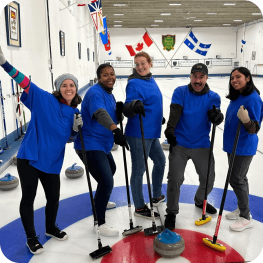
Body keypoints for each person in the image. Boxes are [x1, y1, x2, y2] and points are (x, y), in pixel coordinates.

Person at [0, 46, 83, 255]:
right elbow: (24, 82)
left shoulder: (75, 112)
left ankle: (50, 227)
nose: (68, 88)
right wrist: (4, 63)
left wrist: (75, 132)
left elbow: (68, 140)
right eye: (64, 85)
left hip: (53, 160)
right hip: (30, 156)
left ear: (76, 88)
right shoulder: (45, 99)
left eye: (72, 85)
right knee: (28, 197)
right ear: (58, 88)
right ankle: (31, 237)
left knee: (53, 196)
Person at [164, 63, 224, 230]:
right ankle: (171, 212)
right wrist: (170, 129)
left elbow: (215, 114)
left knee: (209, 179)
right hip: (180, 143)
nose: (198, 80)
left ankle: (199, 200)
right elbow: (175, 112)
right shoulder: (180, 92)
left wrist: (216, 117)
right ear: (190, 77)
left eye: (201, 77)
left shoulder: (213, 96)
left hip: (202, 144)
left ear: (206, 78)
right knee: (175, 179)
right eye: (194, 76)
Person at [74, 63, 128, 237]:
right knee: (106, 181)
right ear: (99, 78)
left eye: (112, 74)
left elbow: (110, 113)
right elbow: (99, 113)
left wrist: (118, 114)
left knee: (111, 170)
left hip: (101, 144)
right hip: (89, 144)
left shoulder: (108, 93)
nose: (110, 77)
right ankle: (100, 223)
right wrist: (116, 130)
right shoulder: (95, 92)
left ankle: (100, 201)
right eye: (105, 75)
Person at [123, 51, 166, 220]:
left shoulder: (150, 79)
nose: (140, 66)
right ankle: (140, 207)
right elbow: (128, 107)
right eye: (137, 64)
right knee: (139, 170)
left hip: (152, 131)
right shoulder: (134, 83)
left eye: (143, 63)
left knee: (161, 161)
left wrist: (157, 116)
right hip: (138, 133)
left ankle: (156, 195)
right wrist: (134, 105)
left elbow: (152, 102)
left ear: (150, 63)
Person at [223, 67, 263, 232]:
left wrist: (246, 120)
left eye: (238, 77)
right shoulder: (238, 96)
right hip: (232, 145)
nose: (234, 80)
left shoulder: (253, 99)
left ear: (248, 78)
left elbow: (254, 128)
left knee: (236, 179)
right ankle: (242, 208)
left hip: (243, 146)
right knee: (241, 178)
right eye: (232, 78)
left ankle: (246, 217)